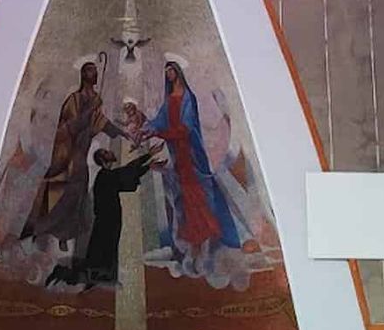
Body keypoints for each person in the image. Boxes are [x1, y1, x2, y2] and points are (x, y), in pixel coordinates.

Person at [20, 60, 128, 250]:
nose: (93, 74)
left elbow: (102, 122)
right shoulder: (74, 99)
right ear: (83, 76)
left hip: (81, 156)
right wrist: (87, 112)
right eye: (89, 71)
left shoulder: (96, 101)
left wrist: (121, 132)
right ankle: (39, 230)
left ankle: (64, 234)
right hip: (66, 155)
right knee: (57, 192)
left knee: (77, 195)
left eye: (95, 71)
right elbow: (66, 128)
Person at [144, 61, 240, 260]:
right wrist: (146, 125)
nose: (169, 75)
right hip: (178, 155)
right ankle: (197, 238)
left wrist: (163, 133)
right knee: (186, 197)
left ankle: (209, 233)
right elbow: (159, 121)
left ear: (178, 73)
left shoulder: (188, 98)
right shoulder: (169, 100)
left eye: (171, 71)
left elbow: (186, 128)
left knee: (198, 193)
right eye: (167, 73)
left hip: (192, 153)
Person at [44, 144, 165, 288]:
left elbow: (125, 174)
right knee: (103, 250)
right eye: (106, 152)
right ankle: (67, 274)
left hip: (110, 218)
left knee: (105, 249)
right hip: (107, 219)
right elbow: (126, 172)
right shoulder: (105, 175)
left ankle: (99, 278)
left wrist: (148, 161)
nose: (110, 152)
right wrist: (148, 161)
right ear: (103, 159)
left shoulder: (108, 175)